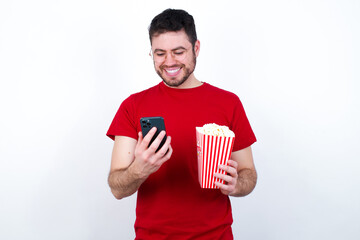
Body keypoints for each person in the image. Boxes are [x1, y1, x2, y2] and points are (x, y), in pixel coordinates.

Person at [106, 9, 257, 240]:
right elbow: (117, 188)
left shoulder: (229, 103)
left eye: (178, 52)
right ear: (151, 54)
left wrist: (237, 185)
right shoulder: (133, 106)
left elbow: (249, 174)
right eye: (160, 53)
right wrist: (140, 168)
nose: (169, 62)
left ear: (196, 48)